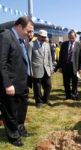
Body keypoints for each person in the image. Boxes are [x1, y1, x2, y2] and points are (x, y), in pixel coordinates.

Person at [0, 16, 34, 147]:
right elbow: (1, 63)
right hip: (11, 84)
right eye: (28, 30)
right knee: (10, 111)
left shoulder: (22, 39)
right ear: (19, 26)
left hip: (22, 82)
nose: (30, 34)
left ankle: (20, 129)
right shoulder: (6, 36)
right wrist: (7, 83)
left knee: (21, 109)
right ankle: (13, 136)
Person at [55, 30, 81, 100]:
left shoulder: (79, 45)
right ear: (68, 37)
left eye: (73, 38)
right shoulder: (64, 44)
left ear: (75, 37)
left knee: (75, 82)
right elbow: (61, 57)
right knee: (66, 82)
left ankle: (74, 94)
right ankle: (68, 95)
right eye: (70, 38)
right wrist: (60, 67)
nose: (71, 39)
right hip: (65, 66)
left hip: (75, 67)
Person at [28, 29, 52, 108]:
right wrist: (30, 70)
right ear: (38, 36)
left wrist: (51, 68)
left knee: (48, 85)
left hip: (46, 69)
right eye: (42, 37)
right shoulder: (31, 44)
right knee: (37, 87)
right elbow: (29, 58)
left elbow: (49, 58)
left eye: (45, 37)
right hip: (36, 69)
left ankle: (45, 99)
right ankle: (38, 102)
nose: (44, 39)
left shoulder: (47, 45)